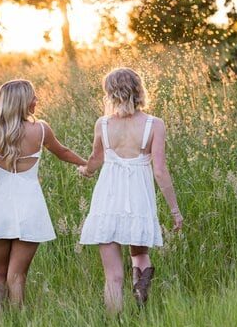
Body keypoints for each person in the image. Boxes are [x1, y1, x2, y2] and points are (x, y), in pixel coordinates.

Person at [0, 79, 90, 311]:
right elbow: (63, 152)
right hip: (30, 207)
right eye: (33, 97)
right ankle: (17, 322)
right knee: (17, 275)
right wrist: (88, 165)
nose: (37, 100)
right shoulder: (40, 129)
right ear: (22, 102)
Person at [78, 68, 183, 312]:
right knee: (139, 254)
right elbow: (160, 170)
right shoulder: (154, 124)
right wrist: (175, 211)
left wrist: (86, 171)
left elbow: (95, 159)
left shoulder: (103, 124)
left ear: (110, 93)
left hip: (108, 199)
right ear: (139, 90)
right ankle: (140, 289)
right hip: (138, 198)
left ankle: (114, 325)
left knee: (113, 277)